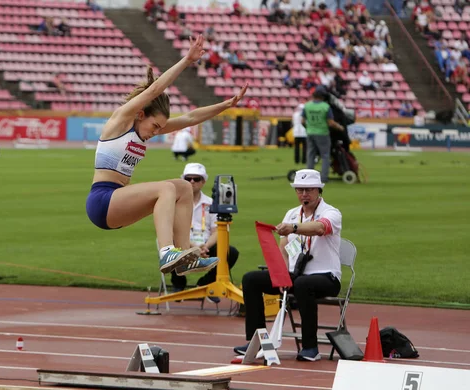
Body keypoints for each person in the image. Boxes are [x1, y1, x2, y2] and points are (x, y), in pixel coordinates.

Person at [85, 35, 248, 275]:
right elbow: (156, 89)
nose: (156, 133)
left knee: (182, 187)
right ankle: (166, 253)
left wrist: (224, 106)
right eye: (155, 126)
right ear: (141, 114)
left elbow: (189, 118)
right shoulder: (121, 121)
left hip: (118, 201)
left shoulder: (143, 130)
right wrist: (187, 60)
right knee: (166, 189)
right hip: (102, 201)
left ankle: (183, 255)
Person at [233, 169, 342, 362]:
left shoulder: (331, 213)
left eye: (308, 190)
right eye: (300, 190)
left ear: (318, 190)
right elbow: (283, 247)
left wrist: (293, 228)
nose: (304, 194)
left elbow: (319, 228)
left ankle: (310, 347)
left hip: (326, 276)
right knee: (251, 279)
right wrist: (281, 274)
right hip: (296, 274)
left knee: (302, 285)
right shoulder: (292, 214)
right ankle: (255, 341)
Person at [170, 163, 240, 303]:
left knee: (231, 252)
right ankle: (178, 284)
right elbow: (173, 230)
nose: (192, 182)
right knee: (171, 246)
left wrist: (205, 246)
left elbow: (217, 231)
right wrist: (194, 246)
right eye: (188, 178)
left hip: (206, 245)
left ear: (203, 181)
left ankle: (206, 284)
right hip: (184, 243)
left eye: (196, 179)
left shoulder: (211, 203)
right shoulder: (175, 203)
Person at [302, 88, 345, 183]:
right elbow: (330, 122)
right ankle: (324, 177)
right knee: (325, 155)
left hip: (310, 132)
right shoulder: (325, 106)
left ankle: (309, 178)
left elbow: (302, 121)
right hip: (322, 133)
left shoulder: (307, 106)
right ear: (322, 97)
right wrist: (340, 127)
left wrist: (308, 127)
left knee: (310, 155)